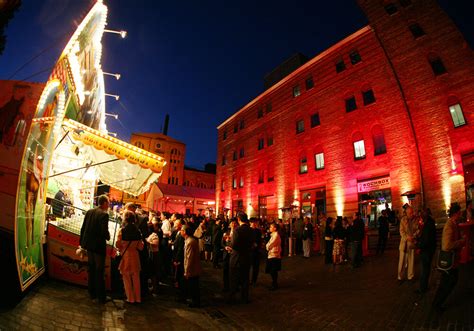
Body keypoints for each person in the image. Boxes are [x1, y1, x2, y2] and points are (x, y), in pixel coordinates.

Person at [432, 203, 466, 313]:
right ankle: (436, 305)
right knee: (447, 283)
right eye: (459, 212)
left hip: (453, 260)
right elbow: (447, 245)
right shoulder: (449, 225)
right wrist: (461, 242)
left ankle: (436, 304)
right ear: (456, 213)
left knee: (447, 283)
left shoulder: (454, 224)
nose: (461, 214)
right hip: (449, 261)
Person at [79, 195, 110, 304]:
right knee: (99, 270)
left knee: (91, 269)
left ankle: (91, 292)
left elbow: (83, 228)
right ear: (104, 203)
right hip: (98, 247)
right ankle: (101, 297)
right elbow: (104, 232)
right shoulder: (104, 215)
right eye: (108, 203)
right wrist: (108, 237)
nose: (109, 205)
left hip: (88, 245)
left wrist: (82, 243)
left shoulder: (89, 212)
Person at [116, 211, 144, 304]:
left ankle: (130, 298)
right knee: (136, 278)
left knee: (126, 278)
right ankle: (138, 298)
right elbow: (140, 247)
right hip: (135, 256)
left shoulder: (122, 230)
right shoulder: (138, 231)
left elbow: (118, 244)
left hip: (126, 256)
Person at [227, 212, 255, 304]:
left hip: (236, 258)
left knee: (233, 279)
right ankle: (245, 298)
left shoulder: (237, 230)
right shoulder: (251, 230)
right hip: (246, 257)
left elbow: (234, 244)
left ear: (238, 219)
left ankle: (232, 298)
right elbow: (252, 243)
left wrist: (229, 246)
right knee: (245, 280)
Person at [416, 208, 436, 294]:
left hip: (427, 250)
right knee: (426, 269)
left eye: (422, 214)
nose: (420, 216)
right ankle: (423, 287)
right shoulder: (429, 222)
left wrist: (419, 247)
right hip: (429, 249)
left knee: (424, 270)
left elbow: (426, 239)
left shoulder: (428, 224)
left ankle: (422, 288)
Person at [398, 205, 418, 281]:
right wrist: (407, 237)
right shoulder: (403, 220)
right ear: (406, 213)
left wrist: (414, 236)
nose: (411, 214)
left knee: (411, 261)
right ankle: (400, 277)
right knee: (402, 261)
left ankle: (410, 276)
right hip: (404, 244)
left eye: (412, 212)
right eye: (409, 213)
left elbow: (418, 229)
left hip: (412, 243)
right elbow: (401, 231)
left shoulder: (415, 220)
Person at [183, 225, 202, 308]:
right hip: (194, 268)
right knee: (194, 285)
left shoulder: (190, 242)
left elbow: (189, 258)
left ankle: (195, 302)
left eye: (181, 230)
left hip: (192, 269)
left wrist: (187, 271)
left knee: (193, 286)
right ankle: (195, 300)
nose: (180, 231)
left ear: (185, 232)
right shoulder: (190, 240)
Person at [265, 222, 282, 290]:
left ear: (275, 228)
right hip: (272, 254)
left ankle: (274, 284)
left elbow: (270, 245)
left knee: (273, 271)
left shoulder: (276, 236)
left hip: (274, 255)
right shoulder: (273, 235)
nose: (270, 228)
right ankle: (274, 283)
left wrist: (267, 247)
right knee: (272, 270)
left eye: (271, 227)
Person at [146, 219, 160, 296]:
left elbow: (155, 244)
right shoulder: (151, 235)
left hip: (154, 254)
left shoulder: (154, 235)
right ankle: (153, 288)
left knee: (154, 272)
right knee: (152, 272)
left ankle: (155, 290)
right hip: (151, 254)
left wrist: (147, 242)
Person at [222, 220, 236, 292]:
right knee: (225, 270)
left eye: (234, 223)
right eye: (232, 223)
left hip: (234, 254)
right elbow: (222, 243)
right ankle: (225, 286)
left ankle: (233, 287)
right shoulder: (226, 232)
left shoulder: (237, 233)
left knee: (233, 271)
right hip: (226, 254)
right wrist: (225, 247)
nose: (233, 224)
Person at [250, 219, 262, 285]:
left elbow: (260, 240)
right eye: (253, 223)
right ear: (250, 223)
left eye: (255, 223)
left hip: (256, 251)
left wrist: (258, 245)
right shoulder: (248, 230)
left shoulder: (258, 231)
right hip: (249, 251)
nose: (254, 224)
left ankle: (254, 280)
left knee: (255, 267)